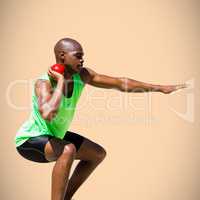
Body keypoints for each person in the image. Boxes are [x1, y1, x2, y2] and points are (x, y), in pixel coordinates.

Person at [14, 37, 187, 200]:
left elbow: (120, 83)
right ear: (62, 56)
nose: (82, 61)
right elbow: (48, 113)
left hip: (53, 138)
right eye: (78, 56)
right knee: (68, 150)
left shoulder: (82, 75)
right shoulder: (43, 83)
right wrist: (60, 81)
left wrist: (159, 88)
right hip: (29, 141)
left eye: (83, 57)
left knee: (97, 154)